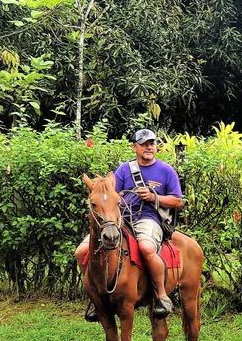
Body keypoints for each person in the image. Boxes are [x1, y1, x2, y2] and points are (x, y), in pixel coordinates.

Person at [77, 129, 184, 321]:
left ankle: (161, 295)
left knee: (146, 247)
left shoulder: (166, 170)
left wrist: (153, 197)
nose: (149, 147)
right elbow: (110, 195)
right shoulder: (124, 169)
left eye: (151, 143)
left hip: (149, 219)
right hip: (121, 219)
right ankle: (95, 298)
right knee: (81, 251)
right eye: (144, 144)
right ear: (134, 147)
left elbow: (177, 201)